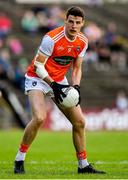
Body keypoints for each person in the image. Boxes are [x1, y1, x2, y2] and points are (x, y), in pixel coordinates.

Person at [14, 6, 106, 174]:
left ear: (82, 23)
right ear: (65, 20)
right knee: (40, 118)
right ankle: (19, 159)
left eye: (78, 23)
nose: (74, 25)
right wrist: (53, 84)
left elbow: (77, 68)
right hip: (38, 78)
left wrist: (76, 87)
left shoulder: (83, 41)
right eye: (71, 21)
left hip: (59, 80)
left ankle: (83, 165)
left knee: (80, 122)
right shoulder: (51, 38)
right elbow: (38, 65)